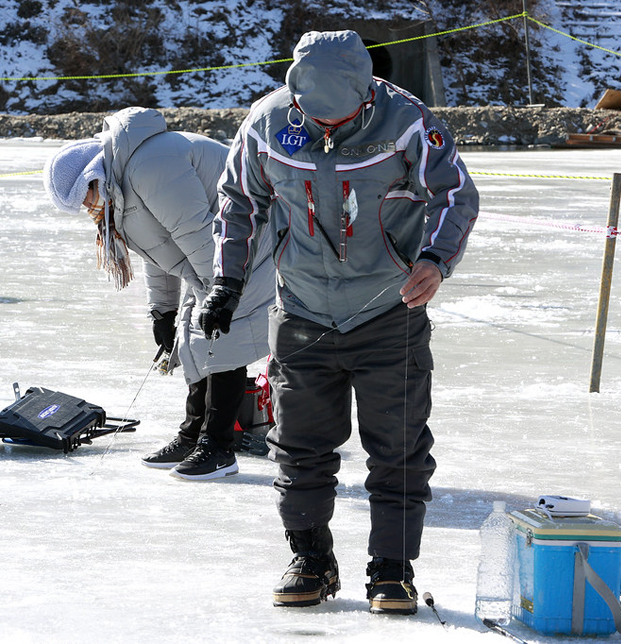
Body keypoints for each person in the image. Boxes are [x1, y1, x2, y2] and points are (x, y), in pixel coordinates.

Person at [199, 30, 479, 613]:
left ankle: (392, 571)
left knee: (398, 448)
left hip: (389, 312)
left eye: (341, 117)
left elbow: (455, 194)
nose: (326, 128)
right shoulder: (266, 123)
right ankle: (311, 559)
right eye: (313, 114)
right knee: (299, 446)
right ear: (294, 92)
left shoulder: (408, 120)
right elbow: (239, 202)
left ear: (366, 93)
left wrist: (435, 260)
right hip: (301, 312)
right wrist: (225, 282)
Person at [43, 106, 274, 481]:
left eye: (84, 197)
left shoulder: (150, 165)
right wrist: (163, 311)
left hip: (250, 240)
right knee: (190, 332)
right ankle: (193, 434)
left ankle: (217, 446)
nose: (88, 209)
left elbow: (197, 234)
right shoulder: (121, 188)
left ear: (93, 175)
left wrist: (220, 292)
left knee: (219, 338)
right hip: (215, 251)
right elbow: (161, 250)